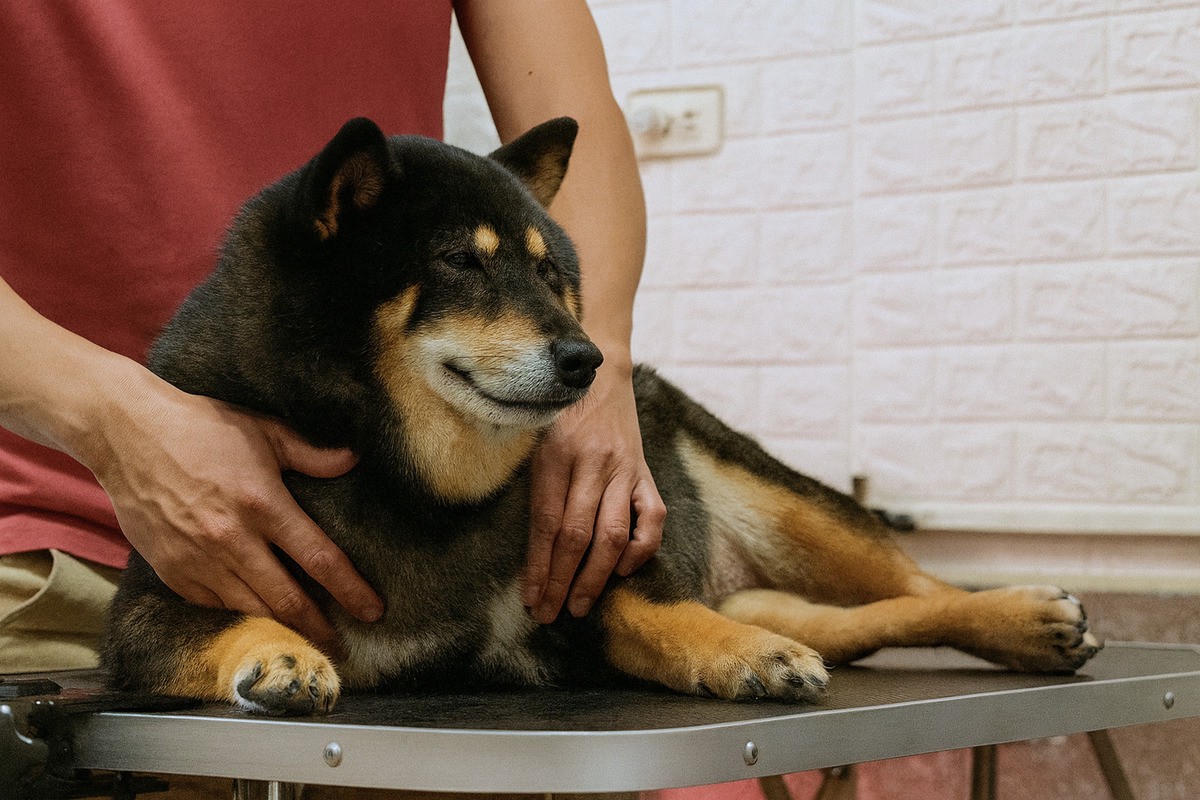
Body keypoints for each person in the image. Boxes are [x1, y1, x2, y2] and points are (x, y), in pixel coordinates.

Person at [0, 0, 665, 675]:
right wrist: (116, 427)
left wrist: (601, 363)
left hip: (436, 552)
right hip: (50, 549)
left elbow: (572, 110)